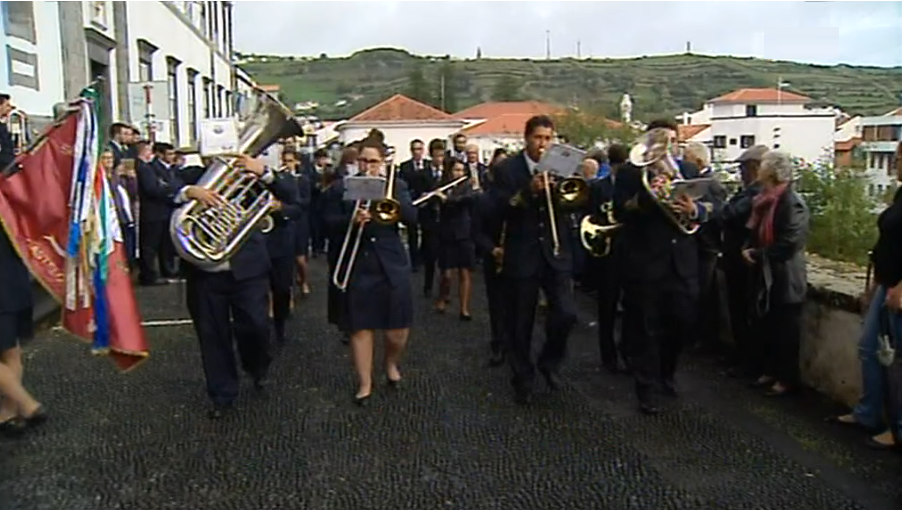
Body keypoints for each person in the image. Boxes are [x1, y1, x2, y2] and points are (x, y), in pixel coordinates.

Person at [174, 155, 299, 419]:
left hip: (248, 269)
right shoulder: (190, 175)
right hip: (204, 273)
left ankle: (257, 366)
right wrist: (187, 192)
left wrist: (264, 171)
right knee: (212, 335)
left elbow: (291, 195)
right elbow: (155, 191)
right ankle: (222, 394)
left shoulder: (250, 180)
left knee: (255, 325)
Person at [613, 123, 716, 415]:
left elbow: (715, 205)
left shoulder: (688, 170)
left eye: (670, 141)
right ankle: (645, 387)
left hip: (681, 262)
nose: (664, 147)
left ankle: (666, 372)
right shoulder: (632, 174)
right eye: (658, 141)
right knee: (646, 327)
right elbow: (621, 210)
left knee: (682, 322)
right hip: (646, 262)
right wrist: (648, 196)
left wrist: (694, 211)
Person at [491, 115, 579, 405]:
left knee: (566, 314)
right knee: (520, 322)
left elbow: (574, 202)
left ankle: (549, 362)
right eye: (538, 138)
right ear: (526, 138)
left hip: (555, 250)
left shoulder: (561, 166)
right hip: (523, 252)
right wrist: (528, 192)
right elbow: (499, 208)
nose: (543, 144)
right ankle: (522, 377)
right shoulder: (507, 169)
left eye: (547, 139)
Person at [323, 139, 417, 405]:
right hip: (357, 264)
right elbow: (325, 222)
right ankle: (365, 382)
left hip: (390, 263)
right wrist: (349, 220)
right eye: (363, 161)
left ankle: (390, 363)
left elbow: (412, 217)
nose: (368, 166)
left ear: (383, 162)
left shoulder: (396, 186)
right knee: (360, 327)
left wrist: (393, 201)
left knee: (397, 329)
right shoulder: (342, 188)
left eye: (373, 161)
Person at [828, 141, 902, 449]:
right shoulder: (901, 194)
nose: (896, 162)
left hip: (898, 290)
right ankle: (869, 413)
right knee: (869, 349)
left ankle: (898, 430)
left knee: (898, 362)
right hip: (886, 284)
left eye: (899, 158)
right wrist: (874, 286)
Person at [0, 92, 46, 437]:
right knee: (9, 348)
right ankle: (9, 414)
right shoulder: (10, 197)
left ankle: (26, 404)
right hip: (11, 274)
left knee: (8, 348)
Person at [473, 152, 509, 367]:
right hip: (494, 256)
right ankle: (499, 343)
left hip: (520, 255)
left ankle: (514, 343)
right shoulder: (484, 200)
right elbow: (476, 231)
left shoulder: (520, 197)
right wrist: (492, 249)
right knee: (496, 303)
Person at [266, 156, 303, 344]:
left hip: (280, 241)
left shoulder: (284, 179)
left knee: (281, 288)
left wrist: (280, 207)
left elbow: (297, 208)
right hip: (250, 244)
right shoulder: (238, 179)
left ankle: (280, 326)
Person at [435, 159, 476, 319]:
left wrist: (446, 199)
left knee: (464, 272)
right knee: (446, 274)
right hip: (446, 233)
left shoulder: (468, 187)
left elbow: (466, 201)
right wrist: (433, 197)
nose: (458, 173)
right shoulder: (443, 185)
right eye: (455, 170)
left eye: (461, 170)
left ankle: (464, 308)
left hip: (464, 233)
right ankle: (442, 297)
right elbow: (437, 206)